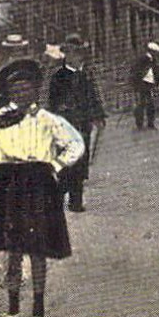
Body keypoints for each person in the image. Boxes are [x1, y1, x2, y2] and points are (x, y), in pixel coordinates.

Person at [0, 59, 84, 317]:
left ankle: (38, 309)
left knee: (38, 248)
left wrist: (55, 166)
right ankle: (11, 309)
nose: (22, 94)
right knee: (12, 250)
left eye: (28, 89)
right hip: (8, 184)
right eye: (16, 90)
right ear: (8, 94)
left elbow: (75, 144)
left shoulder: (48, 120)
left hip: (39, 184)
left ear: (36, 91)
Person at [47, 36, 106, 213]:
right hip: (66, 127)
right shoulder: (58, 76)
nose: (78, 56)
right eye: (74, 53)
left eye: (80, 53)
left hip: (84, 125)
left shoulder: (86, 75)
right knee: (67, 163)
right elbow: (53, 103)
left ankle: (76, 201)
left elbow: (93, 98)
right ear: (66, 55)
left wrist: (99, 116)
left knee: (81, 163)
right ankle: (57, 196)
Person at [132, 42, 159, 131]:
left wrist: (156, 82)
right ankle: (140, 124)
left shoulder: (153, 60)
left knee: (150, 104)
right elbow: (136, 72)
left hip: (149, 84)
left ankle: (150, 123)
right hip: (142, 83)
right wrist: (137, 82)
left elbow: (155, 72)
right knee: (141, 104)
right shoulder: (143, 59)